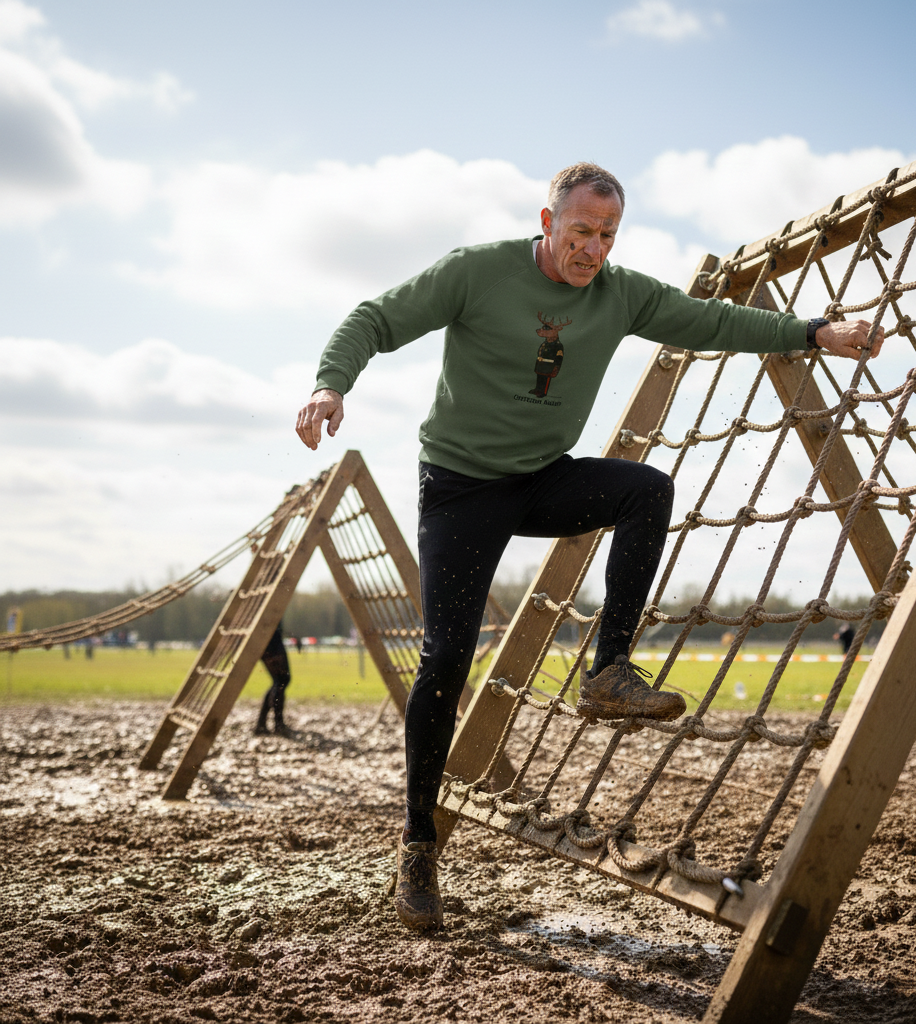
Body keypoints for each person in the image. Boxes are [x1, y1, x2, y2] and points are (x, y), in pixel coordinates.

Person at [294, 163, 883, 933]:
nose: (593, 249)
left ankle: (607, 671)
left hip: (541, 479)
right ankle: (418, 848)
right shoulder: (478, 273)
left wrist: (812, 333)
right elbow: (374, 316)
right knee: (445, 660)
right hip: (462, 488)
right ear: (548, 222)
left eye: (607, 235)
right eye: (580, 232)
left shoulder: (621, 293)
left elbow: (711, 321)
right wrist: (330, 384)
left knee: (647, 489)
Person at [255, 623, 292, 736]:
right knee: (282, 680)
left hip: (265, 639)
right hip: (272, 640)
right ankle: (278, 724)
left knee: (278, 681)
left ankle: (262, 723)